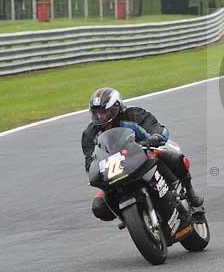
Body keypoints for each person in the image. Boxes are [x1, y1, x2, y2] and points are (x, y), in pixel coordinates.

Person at [82, 87, 203, 222]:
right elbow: (90, 160)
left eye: (104, 112)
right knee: (99, 207)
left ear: (117, 107)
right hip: (115, 170)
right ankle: (131, 219)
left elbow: (156, 128)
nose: (100, 117)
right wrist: (93, 170)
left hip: (144, 155)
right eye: (96, 113)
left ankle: (190, 192)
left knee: (173, 156)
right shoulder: (90, 134)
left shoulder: (134, 114)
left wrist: (155, 136)